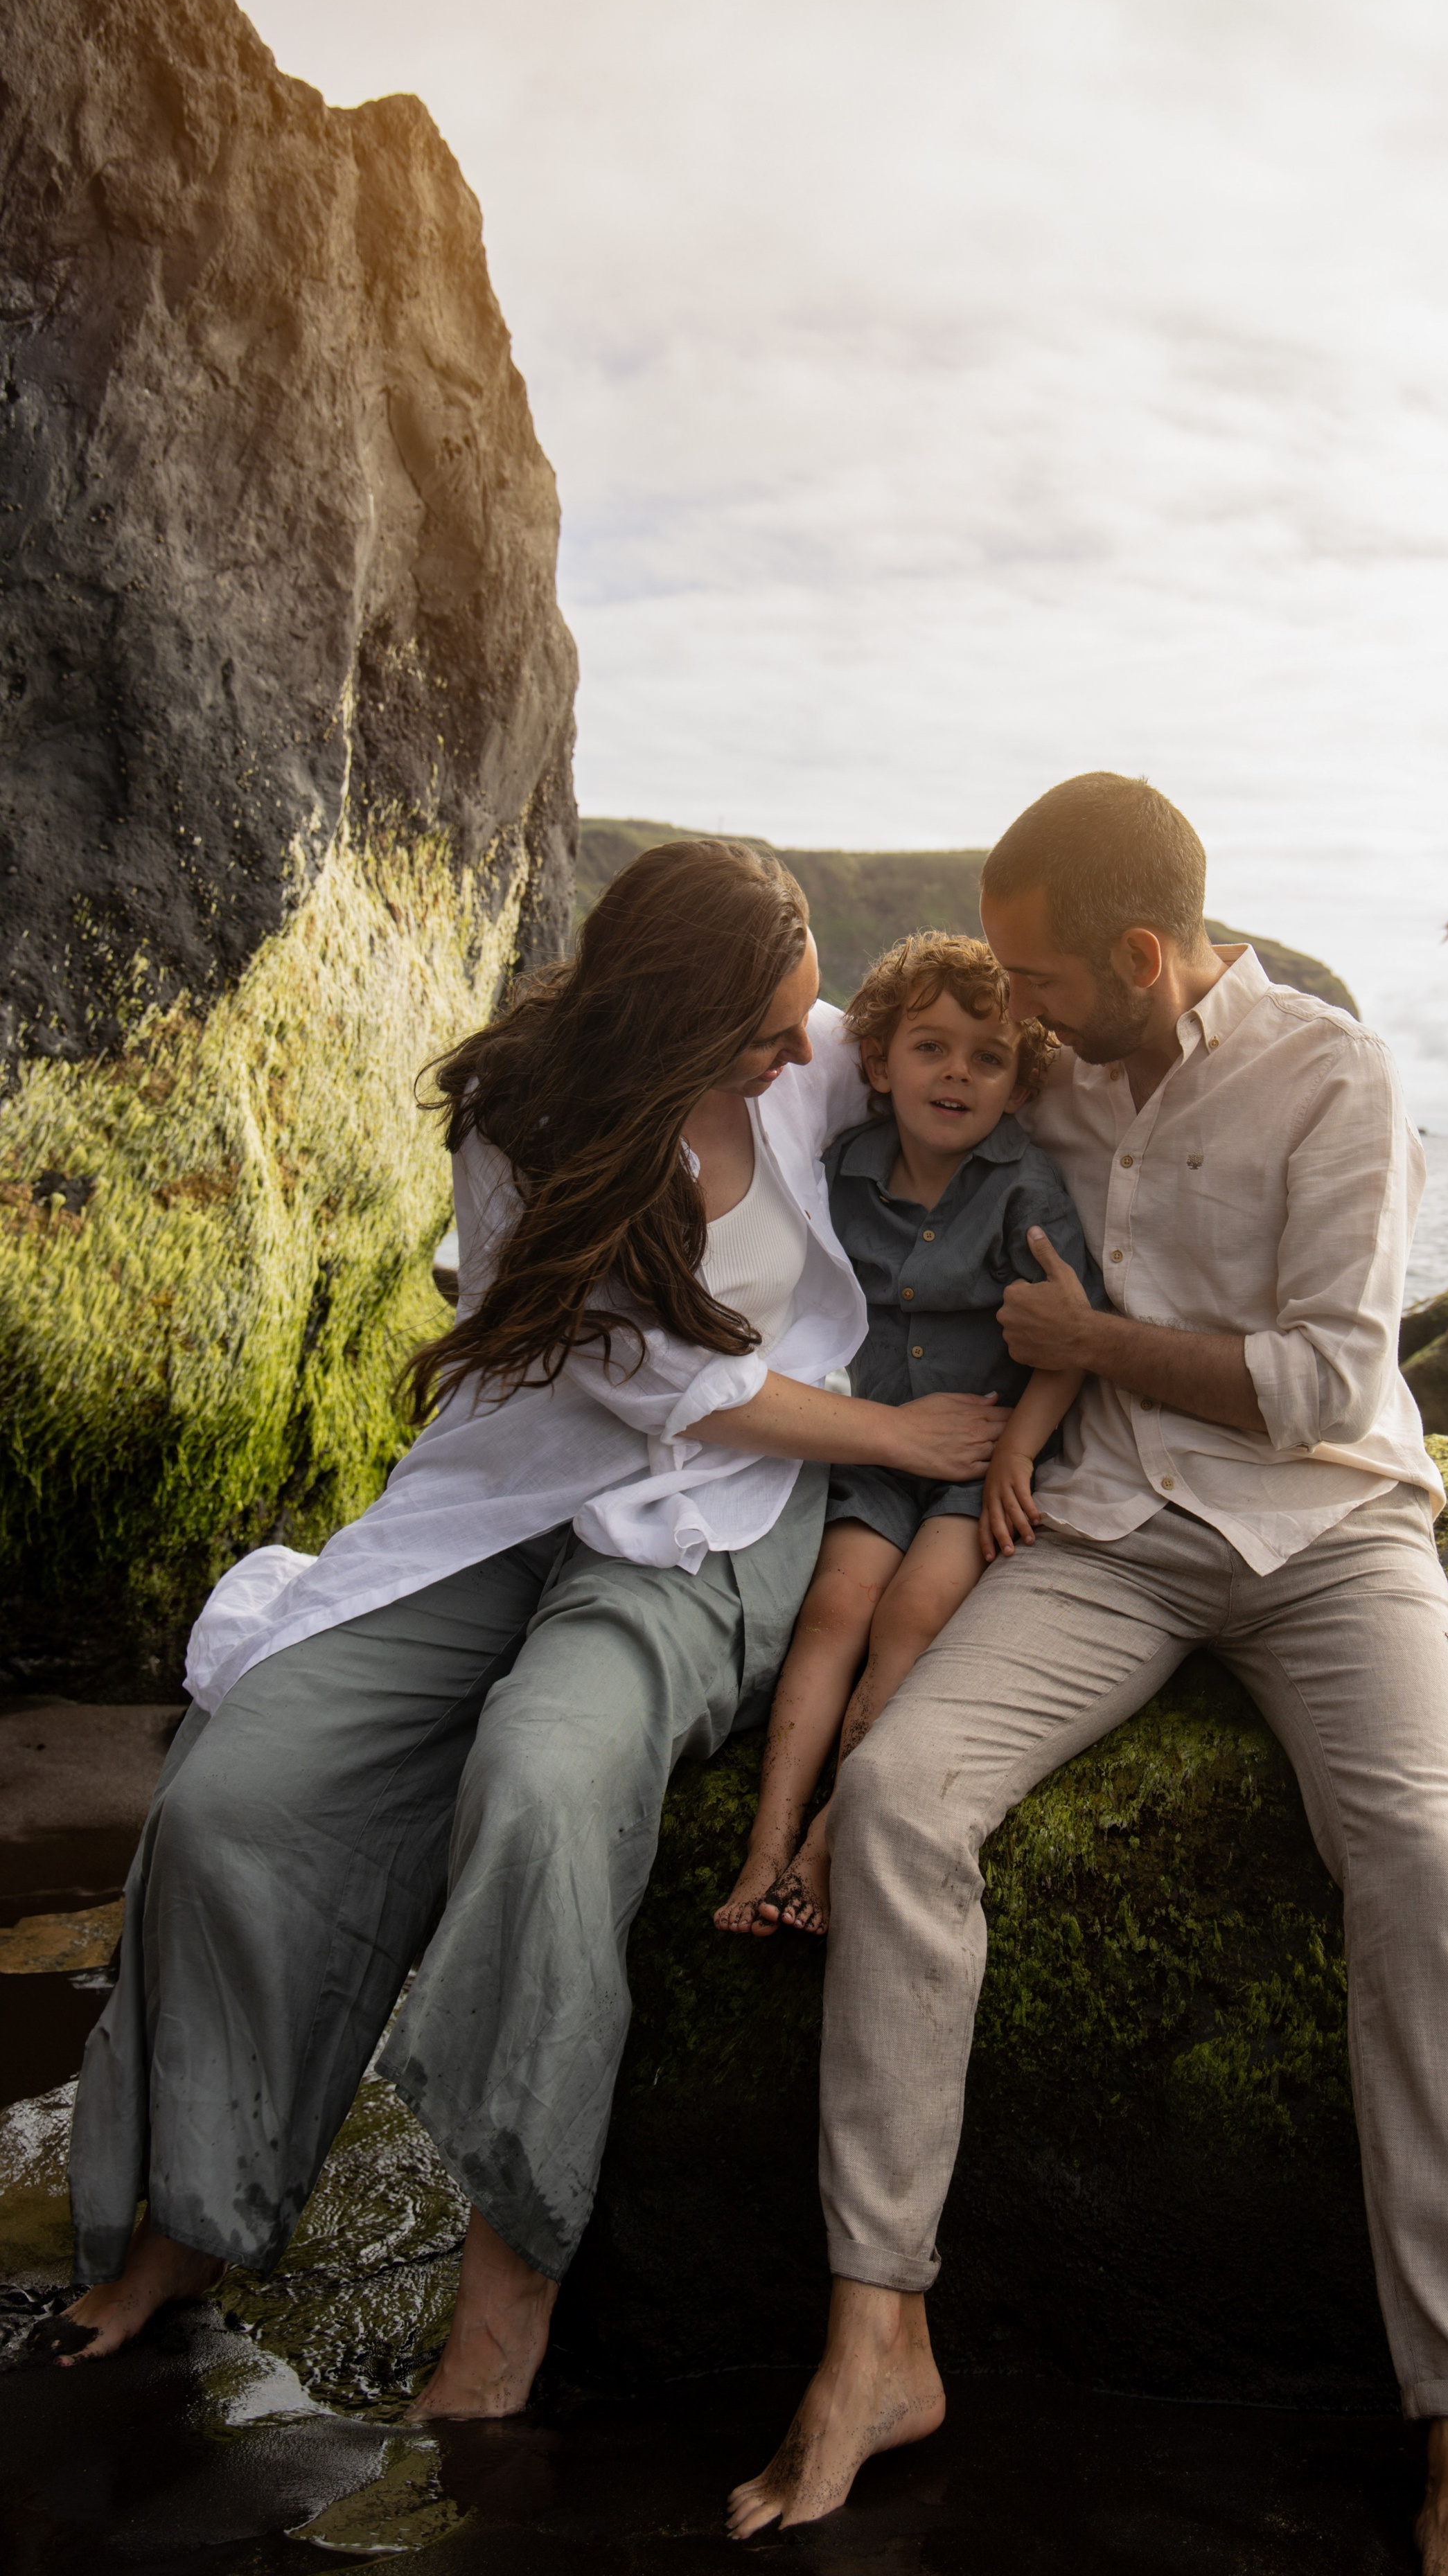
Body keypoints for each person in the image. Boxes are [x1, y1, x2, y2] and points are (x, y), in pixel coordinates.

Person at [43, 840, 1005, 2420]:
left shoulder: (809, 1059)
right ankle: (199, 2216)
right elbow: (646, 1381)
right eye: (762, 1028)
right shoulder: (522, 1121)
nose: (794, 1050)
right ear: (665, 1016)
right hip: (517, 1488)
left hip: (723, 1517)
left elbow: (985, 1091)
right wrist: (900, 1439)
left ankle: (509, 2289)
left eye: (800, 1020)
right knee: (233, 1796)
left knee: (543, 1787)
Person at [730, 777, 1448, 2576]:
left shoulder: (1341, 1080)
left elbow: (1329, 1388)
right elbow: (830, 1040)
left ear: (1146, 958)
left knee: (1422, 1871)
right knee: (905, 1804)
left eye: (1046, 983)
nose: (1021, 1021)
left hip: (1334, 1541)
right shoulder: (1050, 1068)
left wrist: (1089, 1345)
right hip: (1103, 1535)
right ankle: (880, 2344)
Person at [714, 932, 1103, 1937]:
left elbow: (1071, 1340)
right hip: (878, 1438)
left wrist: (1020, 1447)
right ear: (878, 1064)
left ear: (1020, 1086)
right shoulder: (841, 1171)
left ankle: (829, 1848)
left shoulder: (1027, 1189)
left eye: (989, 1057)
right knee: (836, 1607)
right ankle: (766, 1846)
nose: (957, 1074)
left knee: (914, 1612)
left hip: (980, 1457)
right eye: (931, 1048)